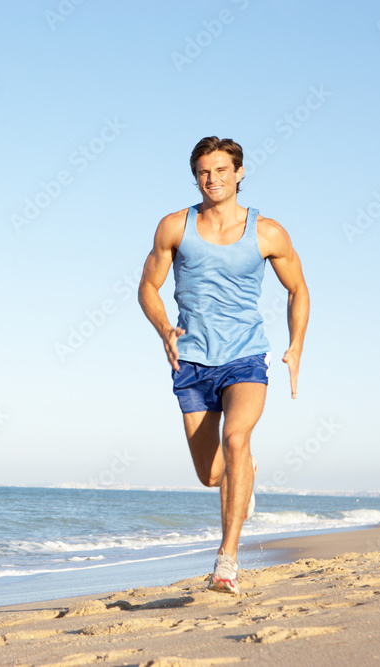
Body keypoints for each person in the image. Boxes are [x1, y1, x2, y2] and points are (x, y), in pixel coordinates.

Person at [137, 136, 310, 594]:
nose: (211, 179)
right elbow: (148, 288)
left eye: (220, 170)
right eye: (203, 172)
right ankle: (244, 471)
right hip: (192, 359)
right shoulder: (175, 226)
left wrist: (296, 345)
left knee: (235, 438)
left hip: (245, 356)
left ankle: (227, 563)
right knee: (211, 474)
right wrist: (164, 329)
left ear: (239, 173)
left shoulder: (267, 232)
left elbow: (298, 288)